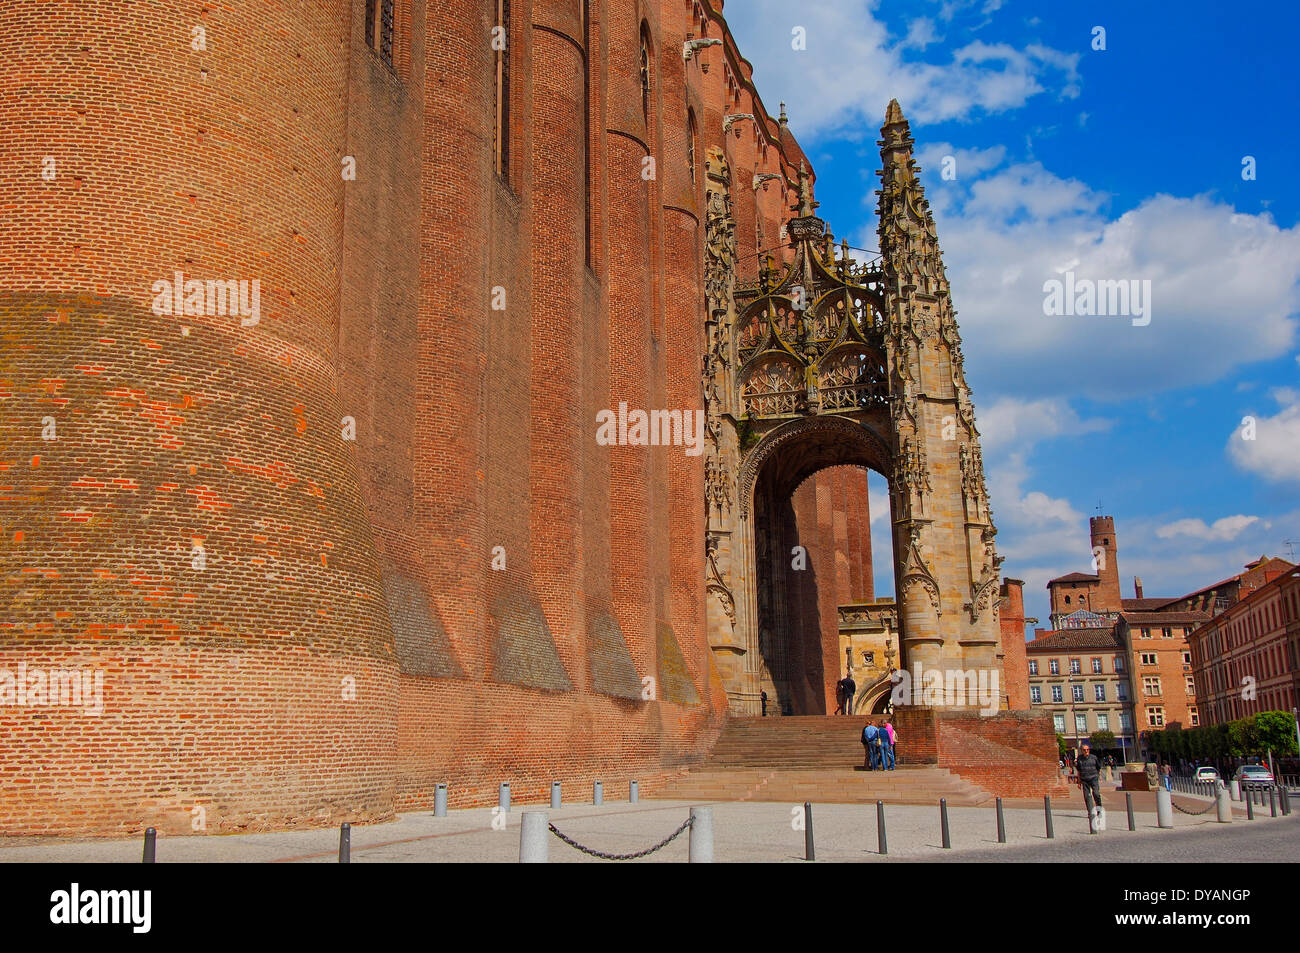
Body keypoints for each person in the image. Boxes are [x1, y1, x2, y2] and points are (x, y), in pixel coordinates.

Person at [1076, 742, 1104, 831]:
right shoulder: (1079, 759)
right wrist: (1079, 781)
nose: (1086, 751)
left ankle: (1099, 810)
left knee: (1096, 794)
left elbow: (1098, 767)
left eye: (1087, 750)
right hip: (1085, 780)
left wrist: (1098, 776)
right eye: (1084, 750)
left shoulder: (1094, 758)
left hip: (1094, 778)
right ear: (1082, 751)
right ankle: (1090, 813)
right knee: (1087, 797)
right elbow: (1079, 771)